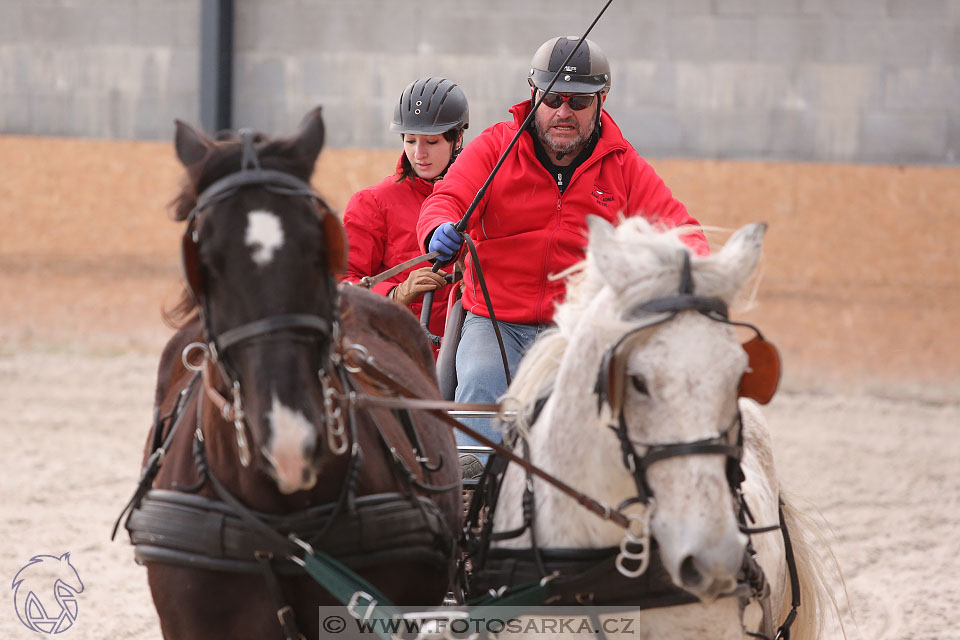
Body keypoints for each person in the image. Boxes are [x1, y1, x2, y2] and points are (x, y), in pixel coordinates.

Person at [416, 36, 709, 455]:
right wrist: (437, 227)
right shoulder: (495, 146)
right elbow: (446, 199)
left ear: (601, 100)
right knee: (480, 381)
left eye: (578, 101)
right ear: (534, 94)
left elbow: (681, 229)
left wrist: (696, 272)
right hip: (494, 320)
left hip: (577, 328)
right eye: (552, 99)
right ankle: (472, 488)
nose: (562, 112)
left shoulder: (624, 166)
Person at [342, 77, 469, 356]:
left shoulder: (480, 198)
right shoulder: (371, 203)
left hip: (468, 348)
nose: (419, 153)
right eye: (410, 140)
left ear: (457, 138)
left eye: (432, 142)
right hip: (396, 357)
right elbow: (341, 284)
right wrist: (394, 295)